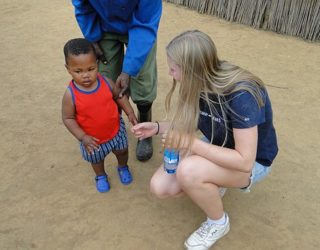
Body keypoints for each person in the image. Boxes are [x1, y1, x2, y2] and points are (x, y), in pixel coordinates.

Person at [132, 30, 278, 249]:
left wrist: (191, 144)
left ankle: (218, 222)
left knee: (188, 171)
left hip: (252, 163)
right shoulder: (198, 83)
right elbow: (189, 123)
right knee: (161, 186)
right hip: (217, 146)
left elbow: (244, 161)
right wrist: (157, 128)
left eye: (174, 68)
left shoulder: (241, 95)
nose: (171, 73)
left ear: (191, 69)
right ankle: (213, 180)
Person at [71, 0, 162, 161]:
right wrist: (92, 36)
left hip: (139, 25)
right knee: (108, 80)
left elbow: (145, 24)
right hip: (104, 24)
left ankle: (144, 127)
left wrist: (128, 71)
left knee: (143, 80)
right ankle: (115, 128)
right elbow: (82, 5)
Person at [62, 38, 138, 193]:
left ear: (97, 64)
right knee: (97, 160)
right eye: (78, 71)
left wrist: (129, 111)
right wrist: (82, 137)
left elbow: (118, 96)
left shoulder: (106, 82)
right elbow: (68, 118)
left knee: (122, 151)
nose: (86, 75)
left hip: (116, 131)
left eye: (91, 68)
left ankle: (123, 167)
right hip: (92, 140)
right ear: (68, 69)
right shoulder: (70, 95)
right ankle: (101, 175)